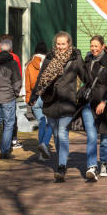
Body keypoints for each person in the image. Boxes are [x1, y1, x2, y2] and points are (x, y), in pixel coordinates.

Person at [35, 31, 88, 182]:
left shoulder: (75, 59)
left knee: (63, 133)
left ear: (68, 44)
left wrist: (81, 93)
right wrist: (34, 96)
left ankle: (61, 166)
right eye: (58, 44)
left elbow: (85, 78)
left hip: (67, 102)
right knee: (56, 135)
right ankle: (60, 160)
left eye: (63, 44)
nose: (60, 47)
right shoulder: (49, 58)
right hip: (51, 101)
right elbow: (41, 78)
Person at [80, 35, 107, 181]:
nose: (94, 49)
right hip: (89, 103)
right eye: (92, 46)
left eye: (96, 46)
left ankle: (103, 163)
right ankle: (91, 166)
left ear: (103, 46)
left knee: (105, 138)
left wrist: (104, 101)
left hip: (105, 104)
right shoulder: (87, 60)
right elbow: (84, 79)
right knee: (91, 136)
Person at [25, 42, 52, 161]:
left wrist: (28, 99)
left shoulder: (29, 64)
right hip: (47, 97)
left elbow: (27, 84)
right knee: (51, 123)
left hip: (35, 98)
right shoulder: (49, 63)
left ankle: (41, 153)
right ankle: (44, 145)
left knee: (42, 123)